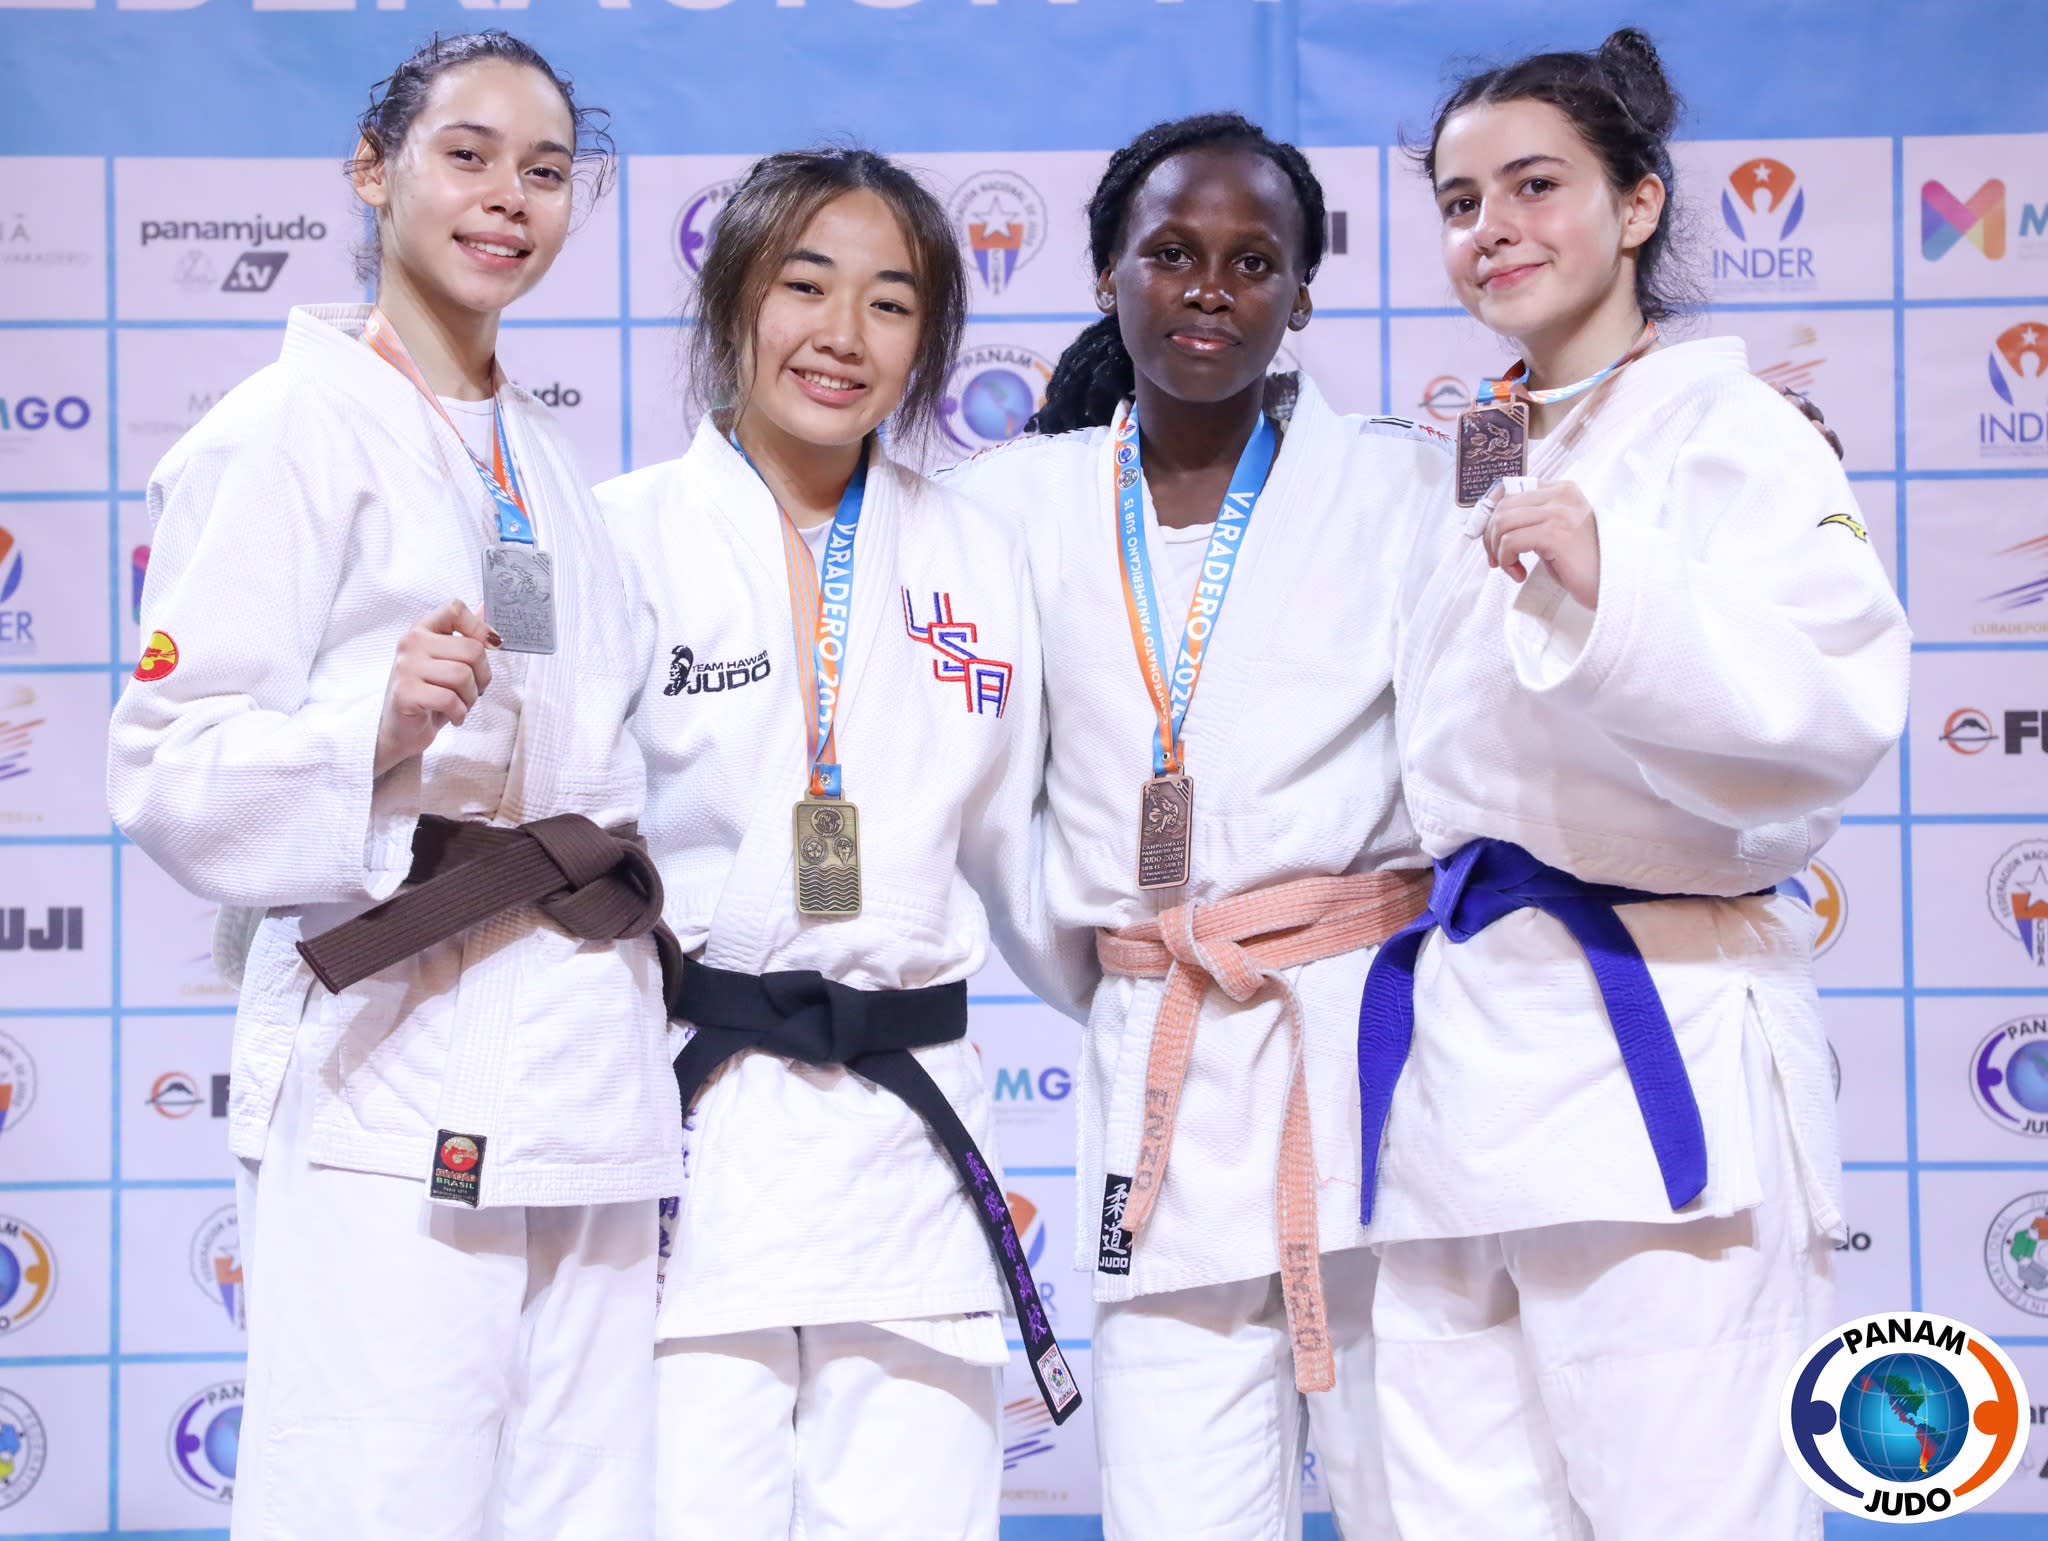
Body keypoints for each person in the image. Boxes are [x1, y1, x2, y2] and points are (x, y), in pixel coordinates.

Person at [105, 32, 677, 1540]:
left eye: (546, 172)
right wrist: (367, 724)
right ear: (374, 173)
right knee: (375, 1497)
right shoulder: (280, 430)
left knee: (587, 1501)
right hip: (391, 1058)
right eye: (468, 154)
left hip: (582, 1056)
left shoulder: (548, 462)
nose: (509, 198)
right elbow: (163, 766)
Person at [1353, 29, 1910, 1538]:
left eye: (1538, 187)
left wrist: (1618, 591)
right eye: (1462, 202)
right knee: (1462, 1508)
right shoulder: (1468, 439)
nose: (1495, 231)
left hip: (1652, 1030)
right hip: (1464, 1061)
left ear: (1640, 206)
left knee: (1691, 1508)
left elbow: (1837, 706)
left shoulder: (1735, 429)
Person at [945, 113, 1449, 1540]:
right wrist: (1128, 960)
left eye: (1253, 260)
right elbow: (988, 808)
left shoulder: (1406, 485)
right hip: (1158, 1046)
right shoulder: (1008, 505)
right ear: (1110, 269)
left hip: (1363, 1045)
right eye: (1172, 253)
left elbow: (1472, 757)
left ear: (1303, 292)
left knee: (1417, 1488)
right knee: (1175, 1504)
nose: (1211, 288)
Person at [598, 146, 1087, 1541]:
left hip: (907, 1131)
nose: (842, 335)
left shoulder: (977, 555)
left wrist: (1154, 980)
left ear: (929, 339)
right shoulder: (625, 536)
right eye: (805, 285)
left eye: (891, 301)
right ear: (734, 300)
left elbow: (1017, 849)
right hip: (692, 1126)